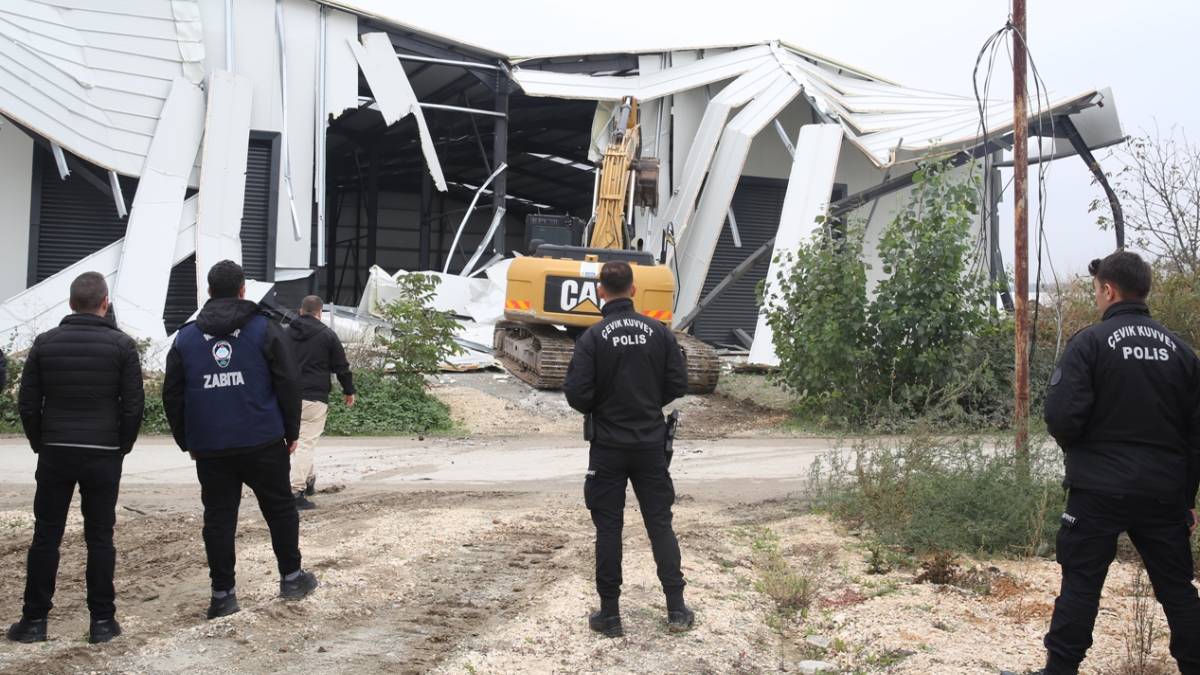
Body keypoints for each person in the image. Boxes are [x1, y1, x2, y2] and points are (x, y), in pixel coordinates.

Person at [1041, 250, 1200, 674]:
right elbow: (1196, 436)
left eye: (1096, 291)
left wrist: (1086, 455)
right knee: (1178, 590)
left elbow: (1061, 416)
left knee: (1081, 583)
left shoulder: (1090, 343)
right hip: (1164, 493)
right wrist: (1186, 497)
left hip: (1097, 491)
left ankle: (1059, 669)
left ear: (1108, 290)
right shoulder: (1183, 354)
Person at [163, 260, 318, 620]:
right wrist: (291, 432)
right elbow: (288, 382)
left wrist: (188, 440)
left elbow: (172, 395)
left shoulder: (185, 338)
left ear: (209, 291)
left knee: (218, 519)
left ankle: (222, 596)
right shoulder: (265, 330)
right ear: (243, 290)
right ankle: (292, 579)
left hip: (211, 447)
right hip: (262, 440)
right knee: (279, 510)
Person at [8, 272, 144, 644]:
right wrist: (121, 446)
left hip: (56, 449)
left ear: (71, 304)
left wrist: (41, 442)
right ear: (105, 304)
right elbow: (133, 406)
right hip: (103, 452)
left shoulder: (45, 343)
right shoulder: (122, 346)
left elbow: (28, 402)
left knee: (46, 536)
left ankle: (34, 621)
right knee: (100, 537)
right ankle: (102, 621)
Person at [562, 260, 693, 638]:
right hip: (651, 443)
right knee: (660, 524)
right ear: (633, 290)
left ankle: (610, 616)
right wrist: (648, 404)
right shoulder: (660, 333)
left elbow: (577, 393)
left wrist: (603, 408)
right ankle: (677, 610)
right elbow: (677, 384)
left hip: (608, 446)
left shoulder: (593, 337)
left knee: (608, 528)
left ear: (601, 291)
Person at [285, 295, 356, 510]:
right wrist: (349, 390)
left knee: (294, 441)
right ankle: (296, 492)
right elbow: (341, 367)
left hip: (286, 396)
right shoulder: (327, 335)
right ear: (320, 312)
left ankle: (309, 479)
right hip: (314, 397)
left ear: (300, 311)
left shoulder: (285, 333)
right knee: (305, 442)